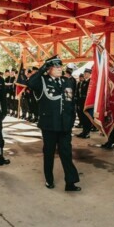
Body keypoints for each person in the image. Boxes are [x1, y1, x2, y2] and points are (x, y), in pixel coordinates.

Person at [27, 55, 81, 192]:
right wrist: (41, 70)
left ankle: (70, 182)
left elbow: (70, 102)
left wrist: (71, 119)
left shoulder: (67, 82)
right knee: (49, 153)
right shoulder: (42, 81)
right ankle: (49, 179)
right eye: (55, 67)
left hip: (64, 125)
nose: (59, 69)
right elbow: (30, 83)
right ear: (49, 69)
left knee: (66, 153)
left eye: (60, 66)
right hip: (49, 124)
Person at [76, 68, 92, 138]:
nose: (85, 75)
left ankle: (87, 132)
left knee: (87, 118)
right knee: (83, 117)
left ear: (90, 74)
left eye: (87, 73)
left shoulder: (91, 82)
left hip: (87, 102)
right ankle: (84, 131)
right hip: (81, 102)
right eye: (85, 73)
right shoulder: (82, 82)